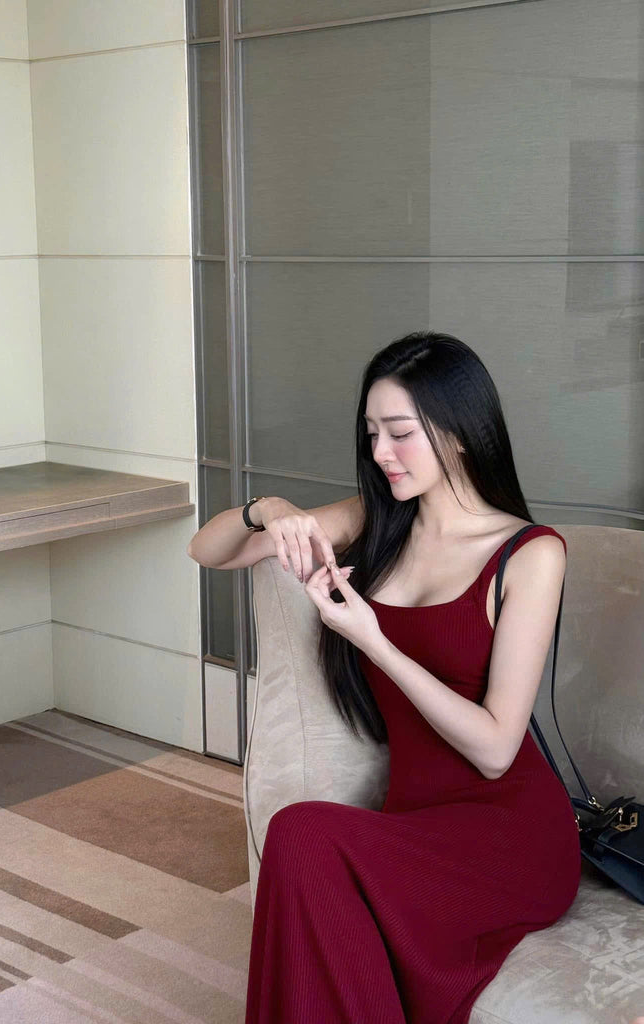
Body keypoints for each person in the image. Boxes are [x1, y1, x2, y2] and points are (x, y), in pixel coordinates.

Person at [188, 330, 589, 1023]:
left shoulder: (529, 553)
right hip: (416, 820)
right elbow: (209, 550)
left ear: (457, 433)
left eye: (400, 433)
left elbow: (496, 749)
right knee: (308, 852)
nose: (379, 452)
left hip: (511, 836)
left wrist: (373, 641)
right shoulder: (375, 521)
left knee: (302, 834)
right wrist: (270, 510)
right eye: (371, 432)